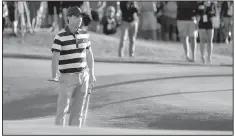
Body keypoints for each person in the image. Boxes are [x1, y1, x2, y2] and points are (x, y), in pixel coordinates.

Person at [50, 6, 96, 127]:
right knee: (62, 112)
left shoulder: (85, 34)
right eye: (76, 16)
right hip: (67, 77)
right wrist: (54, 75)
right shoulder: (60, 36)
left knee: (78, 113)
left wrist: (92, 74)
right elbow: (55, 56)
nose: (79, 19)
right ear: (68, 18)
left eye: (80, 17)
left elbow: (89, 55)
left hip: (83, 77)